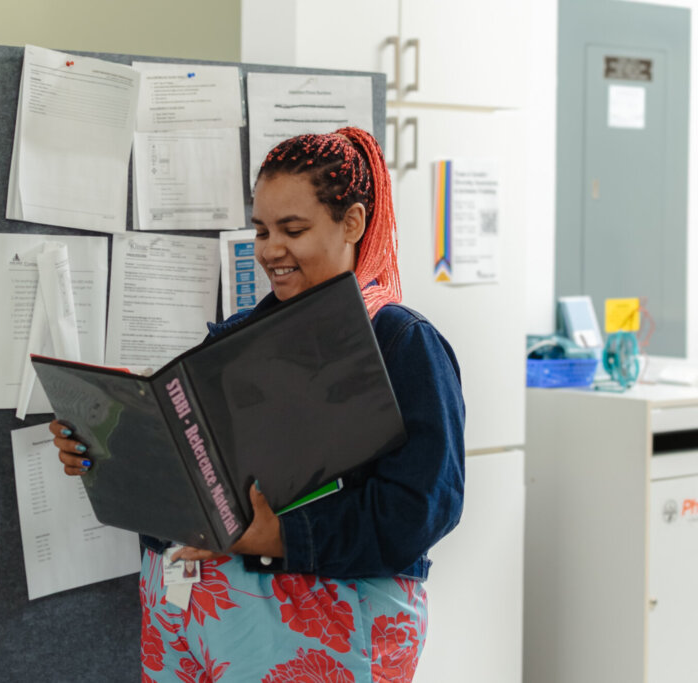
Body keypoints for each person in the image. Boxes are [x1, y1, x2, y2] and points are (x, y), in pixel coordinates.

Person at [49, 127, 465, 682]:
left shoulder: (399, 341)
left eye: (293, 229)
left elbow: (422, 507)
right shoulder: (239, 337)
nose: (270, 250)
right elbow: (192, 471)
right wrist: (104, 448)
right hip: (195, 610)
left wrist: (281, 538)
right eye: (262, 229)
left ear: (353, 223)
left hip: (324, 619)